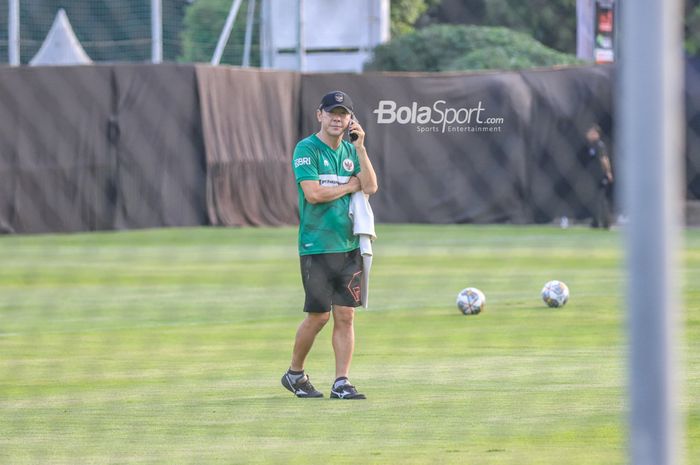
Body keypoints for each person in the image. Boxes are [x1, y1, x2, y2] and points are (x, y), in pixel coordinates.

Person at [282, 91, 378, 400]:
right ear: (319, 115)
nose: (337, 118)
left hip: (348, 246)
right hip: (316, 245)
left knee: (346, 316)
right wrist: (350, 185)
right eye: (332, 113)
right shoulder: (306, 149)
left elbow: (372, 186)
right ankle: (295, 374)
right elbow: (313, 194)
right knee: (319, 315)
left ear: (351, 119)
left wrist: (360, 148)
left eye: (343, 114)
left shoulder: (351, 150)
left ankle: (342, 382)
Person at [585, 125, 614, 229]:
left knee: (601, 199)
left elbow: (604, 159)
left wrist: (608, 172)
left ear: (596, 134)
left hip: (600, 175)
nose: (588, 134)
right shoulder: (592, 146)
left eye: (591, 132)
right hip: (593, 176)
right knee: (596, 199)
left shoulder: (600, 145)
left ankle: (606, 222)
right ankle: (596, 221)